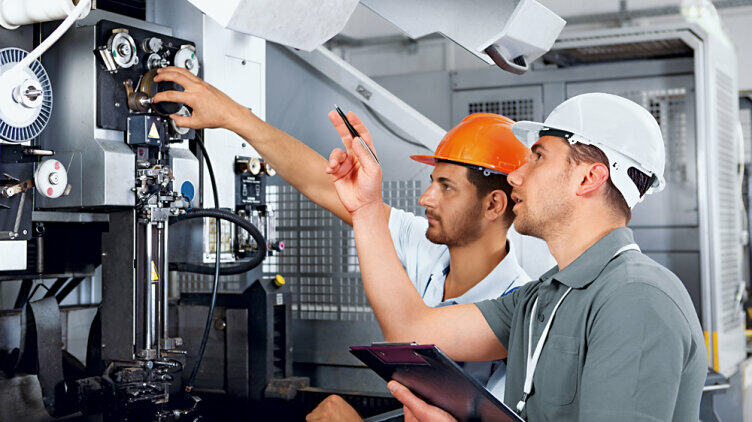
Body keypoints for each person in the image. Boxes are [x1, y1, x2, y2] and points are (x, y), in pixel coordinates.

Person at [151, 67, 532, 419]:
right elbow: (323, 184)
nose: (425, 198)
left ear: (494, 204)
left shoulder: (522, 307)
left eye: (446, 187)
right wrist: (235, 117)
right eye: (433, 181)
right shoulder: (425, 245)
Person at [323, 92, 707, 421]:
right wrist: (367, 210)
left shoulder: (636, 299)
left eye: (537, 157)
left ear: (588, 179)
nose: (515, 176)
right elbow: (410, 331)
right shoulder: (542, 297)